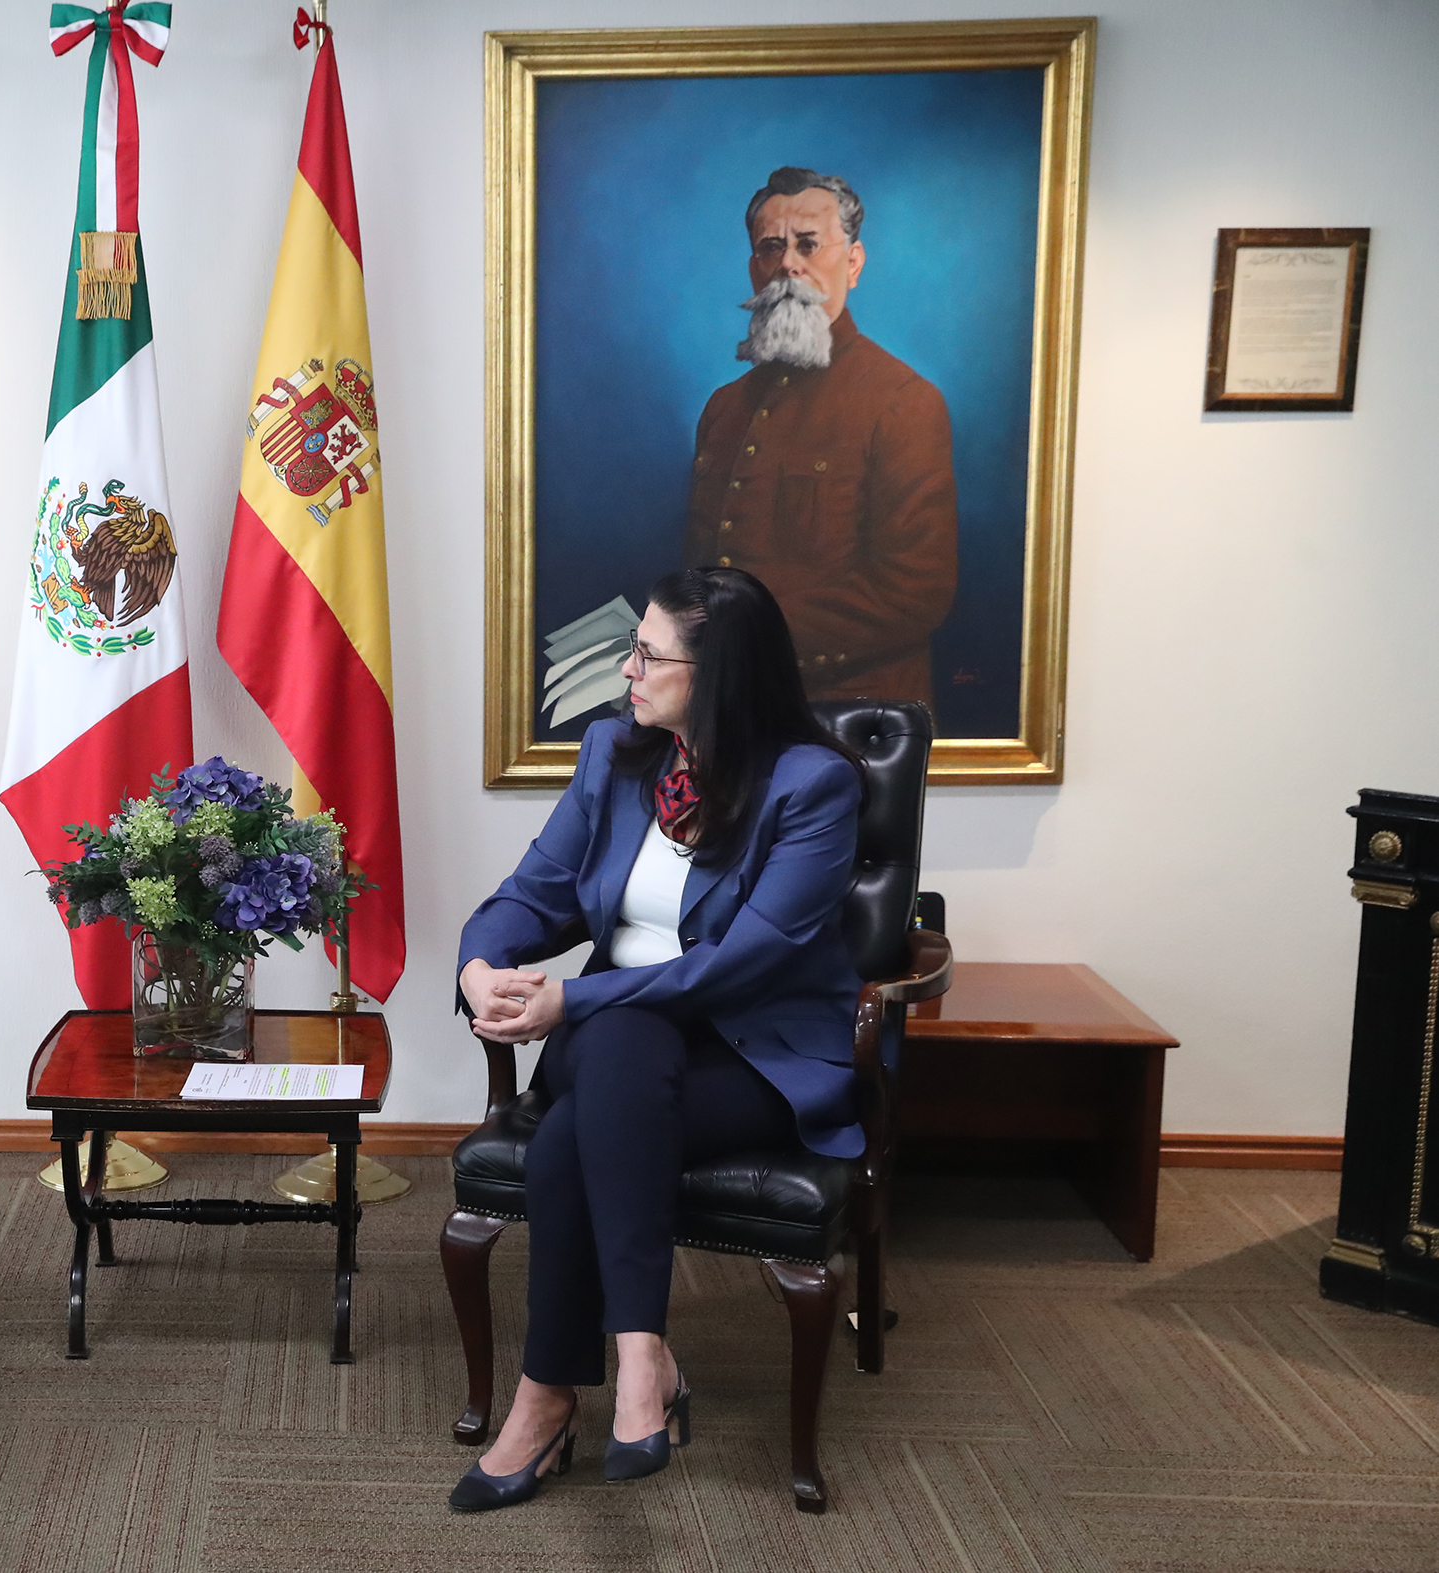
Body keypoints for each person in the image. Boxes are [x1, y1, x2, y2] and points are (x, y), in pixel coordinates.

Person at [448, 565, 866, 1514]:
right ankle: (643, 1358)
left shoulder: (814, 785)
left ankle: (547, 1397)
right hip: (613, 1040)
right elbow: (530, 893)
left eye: (647, 654)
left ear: (717, 675)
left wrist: (572, 1001)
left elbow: (742, 964)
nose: (626, 670)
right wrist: (479, 964)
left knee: (570, 1132)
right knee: (627, 1031)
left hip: (750, 1052)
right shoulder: (616, 753)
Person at [680, 166, 956, 708]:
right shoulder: (725, 408)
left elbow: (913, 591)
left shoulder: (904, 401)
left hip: (849, 717)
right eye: (771, 247)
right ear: (754, 269)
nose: (789, 263)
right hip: (730, 706)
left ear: (853, 263)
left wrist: (747, 640)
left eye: (808, 244)